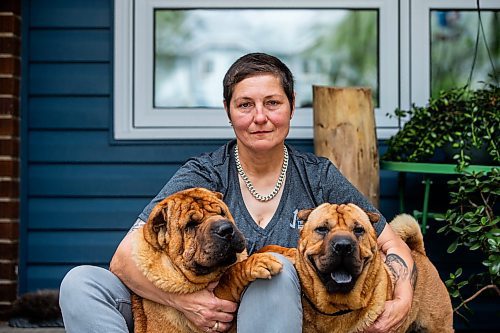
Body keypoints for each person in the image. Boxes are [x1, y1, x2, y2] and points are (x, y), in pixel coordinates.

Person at [59, 52, 415, 333]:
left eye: (272, 103)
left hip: (279, 319)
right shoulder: (203, 173)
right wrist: (188, 304)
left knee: (275, 272)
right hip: (187, 317)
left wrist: (403, 297)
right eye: (245, 105)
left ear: (292, 105)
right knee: (81, 283)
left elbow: (392, 245)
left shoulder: (318, 177)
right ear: (229, 112)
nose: (260, 117)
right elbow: (123, 260)